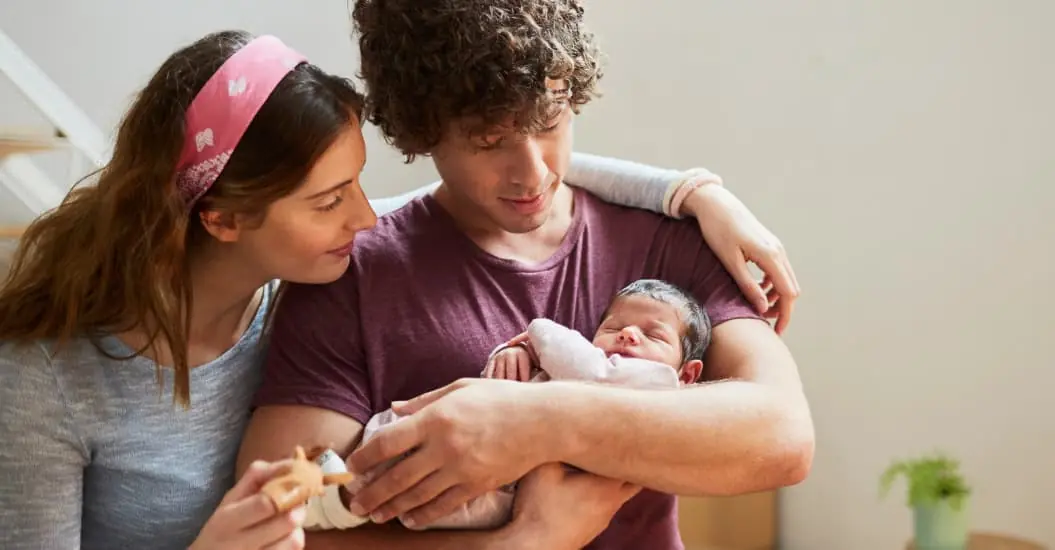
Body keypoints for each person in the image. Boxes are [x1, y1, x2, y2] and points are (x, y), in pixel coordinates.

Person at [0, 29, 799, 550]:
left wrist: (693, 190)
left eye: (357, 184)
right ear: (224, 221)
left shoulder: (320, 257)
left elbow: (778, 439)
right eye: (328, 199)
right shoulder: (47, 378)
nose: (362, 213)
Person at [238, 2, 813, 550]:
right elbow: (275, 529)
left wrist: (536, 420)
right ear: (423, 129)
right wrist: (520, 543)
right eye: (489, 142)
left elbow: (783, 437)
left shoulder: (667, 242)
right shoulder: (350, 274)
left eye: (550, 121)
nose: (534, 172)